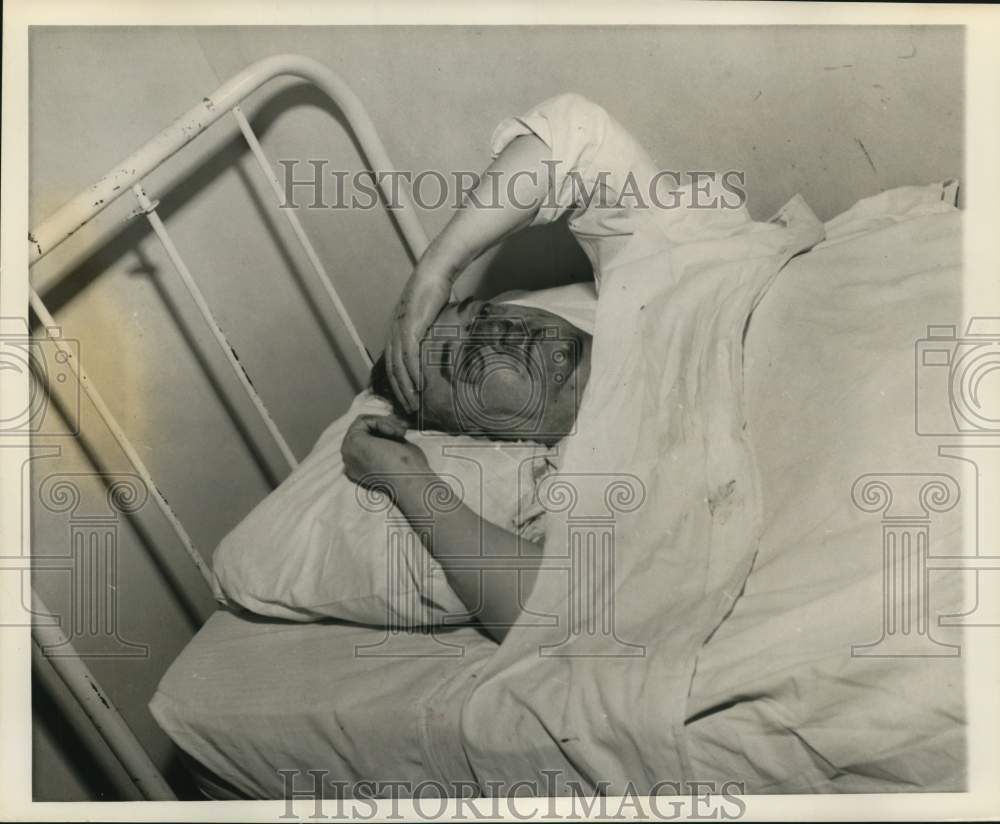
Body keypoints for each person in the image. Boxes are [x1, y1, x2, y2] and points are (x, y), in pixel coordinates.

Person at [342, 92, 716, 641]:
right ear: (488, 434)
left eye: (481, 313)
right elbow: (551, 612)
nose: (496, 330)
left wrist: (436, 271)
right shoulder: (589, 482)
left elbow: (578, 130)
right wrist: (405, 476)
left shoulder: (651, 265)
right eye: (468, 361)